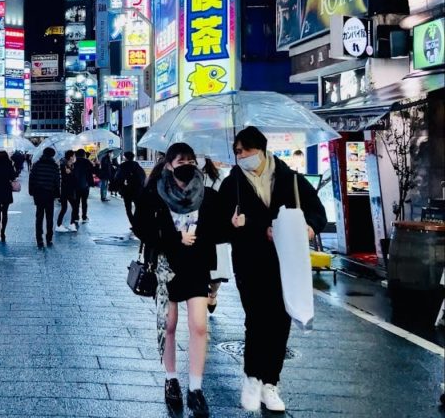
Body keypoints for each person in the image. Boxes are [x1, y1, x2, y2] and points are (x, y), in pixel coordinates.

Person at [217, 126, 326, 413]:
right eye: (237, 152)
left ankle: (271, 382)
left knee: (280, 320)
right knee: (256, 318)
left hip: (285, 261)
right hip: (250, 261)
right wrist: (235, 225)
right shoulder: (233, 184)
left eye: (245, 150)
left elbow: (317, 212)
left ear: (261, 149)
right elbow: (219, 224)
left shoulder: (290, 179)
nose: (241, 156)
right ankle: (252, 376)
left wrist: (310, 229)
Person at [133, 143, 219, 416]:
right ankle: (171, 379)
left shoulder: (207, 194)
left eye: (191, 160)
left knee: (199, 326)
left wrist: (235, 222)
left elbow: (219, 227)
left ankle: (196, 388)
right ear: (169, 164)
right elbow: (142, 228)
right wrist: (174, 238)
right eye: (181, 160)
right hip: (166, 267)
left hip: (196, 266)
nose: (187, 164)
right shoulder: (153, 193)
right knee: (169, 325)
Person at [202, 158, 232, 314]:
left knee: (217, 271)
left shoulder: (219, 177)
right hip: (197, 229)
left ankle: (213, 294)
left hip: (216, 228)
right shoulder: (188, 175)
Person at [28, 148, 61, 248]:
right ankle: (49, 238)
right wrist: (57, 194)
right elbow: (57, 182)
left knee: (39, 216)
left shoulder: (37, 165)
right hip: (49, 194)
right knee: (49, 217)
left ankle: (39, 239)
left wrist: (31, 191)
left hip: (38, 194)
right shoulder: (54, 166)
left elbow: (31, 179)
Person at [0, 151, 20, 242]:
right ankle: (3, 232)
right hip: (6, 189)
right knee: (5, 212)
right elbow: (13, 177)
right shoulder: (9, 164)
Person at [115, 151, 147, 227]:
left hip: (126, 190)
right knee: (138, 206)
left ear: (125, 157)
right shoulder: (137, 165)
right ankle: (137, 222)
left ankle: (133, 223)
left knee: (128, 208)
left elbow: (118, 178)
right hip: (137, 189)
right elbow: (143, 177)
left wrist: (120, 187)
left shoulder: (123, 166)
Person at [71, 149, 95, 227]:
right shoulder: (87, 161)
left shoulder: (73, 162)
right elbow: (93, 171)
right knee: (84, 202)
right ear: (83, 154)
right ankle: (84, 217)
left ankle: (76, 217)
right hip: (85, 185)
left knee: (76, 202)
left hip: (75, 185)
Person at [56, 151, 78, 232]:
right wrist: (70, 172)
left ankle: (65, 224)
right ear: (71, 157)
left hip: (69, 189)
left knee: (67, 207)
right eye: (74, 155)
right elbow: (66, 178)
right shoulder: (63, 165)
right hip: (66, 190)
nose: (75, 157)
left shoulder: (70, 165)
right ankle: (65, 224)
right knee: (71, 207)